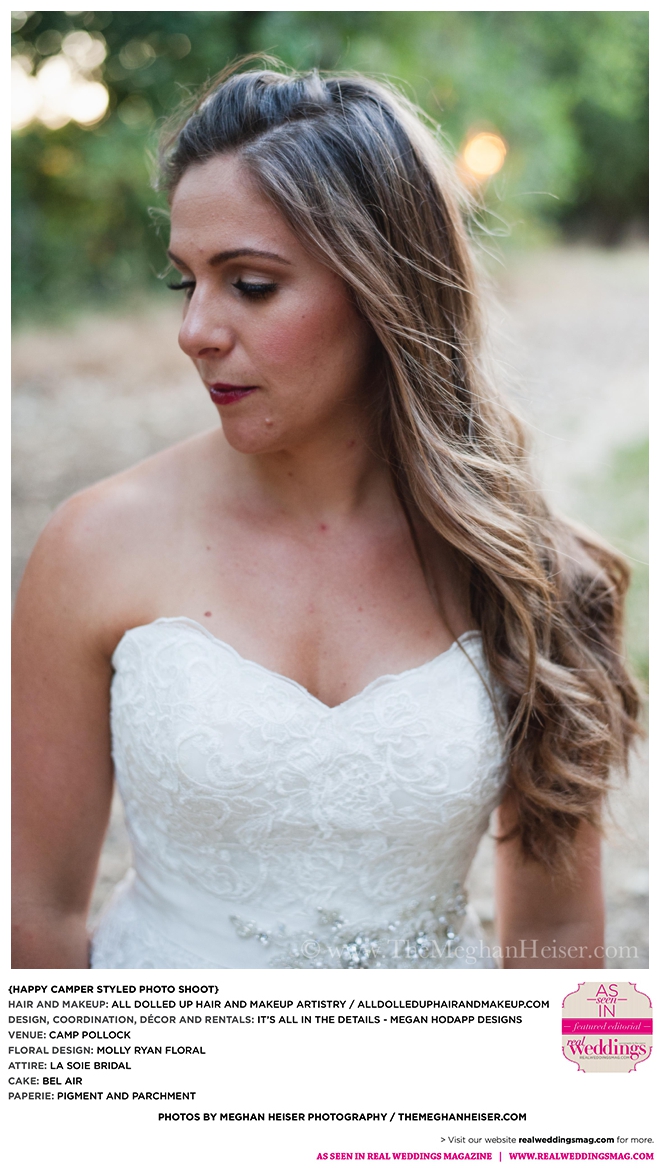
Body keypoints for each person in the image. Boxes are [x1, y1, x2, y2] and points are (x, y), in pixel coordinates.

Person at [12, 64, 640, 970]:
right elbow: (34, 914)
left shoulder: (528, 570)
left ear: (384, 288)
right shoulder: (93, 546)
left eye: (250, 284)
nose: (194, 330)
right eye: (185, 282)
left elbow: (561, 934)